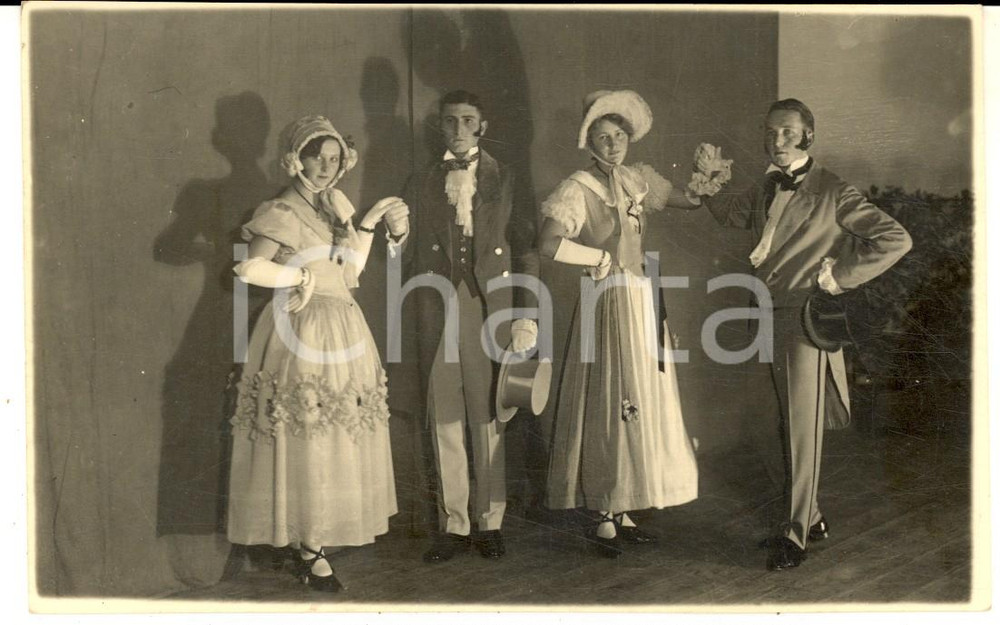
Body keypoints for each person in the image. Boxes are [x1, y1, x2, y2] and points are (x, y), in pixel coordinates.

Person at [690, 99, 912, 570]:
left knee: (800, 431)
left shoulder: (832, 190)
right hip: (766, 314)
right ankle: (808, 516)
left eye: (789, 132)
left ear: (809, 135)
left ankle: (795, 536)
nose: (778, 141)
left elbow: (896, 238)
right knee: (769, 424)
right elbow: (731, 215)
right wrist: (709, 182)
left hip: (806, 318)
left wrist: (839, 277)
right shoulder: (768, 183)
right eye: (771, 132)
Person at [227, 115, 409, 592]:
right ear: (297, 160)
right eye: (318, 158)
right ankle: (309, 546)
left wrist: (367, 224)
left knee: (336, 434)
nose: (327, 167)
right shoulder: (283, 210)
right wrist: (298, 276)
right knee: (307, 429)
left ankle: (318, 539)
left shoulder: (334, 208)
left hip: (343, 323)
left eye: (334, 159)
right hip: (302, 329)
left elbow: (350, 273)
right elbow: (249, 268)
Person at [538, 90, 699, 558]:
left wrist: (708, 187)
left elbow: (684, 201)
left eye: (619, 135)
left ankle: (624, 505)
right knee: (613, 396)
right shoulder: (577, 187)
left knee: (639, 396)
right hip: (609, 298)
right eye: (603, 137)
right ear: (589, 141)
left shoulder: (635, 180)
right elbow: (549, 242)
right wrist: (598, 257)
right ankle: (604, 508)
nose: (612, 144)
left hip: (643, 297)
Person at [400, 90, 540, 563]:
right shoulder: (419, 181)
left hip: (490, 306)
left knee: (487, 417)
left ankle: (490, 520)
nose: (458, 130)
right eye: (449, 122)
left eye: (467, 120)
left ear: (482, 125)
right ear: (439, 128)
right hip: (437, 308)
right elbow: (404, 250)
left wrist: (526, 314)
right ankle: (454, 525)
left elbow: (527, 250)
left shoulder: (508, 177)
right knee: (444, 417)